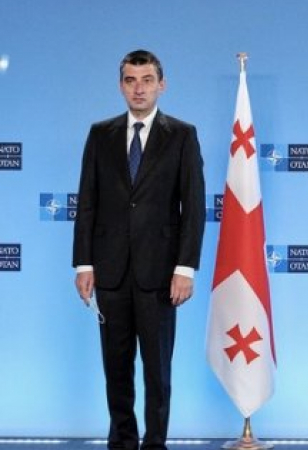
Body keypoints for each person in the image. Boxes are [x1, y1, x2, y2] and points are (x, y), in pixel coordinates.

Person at [73, 49, 206, 450]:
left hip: (161, 275)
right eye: (130, 80)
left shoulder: (182, 135)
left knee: (157, 371)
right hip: (111, 273)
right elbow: (88, 201)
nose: (139, 88)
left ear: (161, 85)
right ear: (120, 86)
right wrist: (84, 263)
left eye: (147, 80)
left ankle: (155, 444)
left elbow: (194, 206)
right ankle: (122, 443)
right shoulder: (100, 134)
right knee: (116, 368)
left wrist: (185, 268)